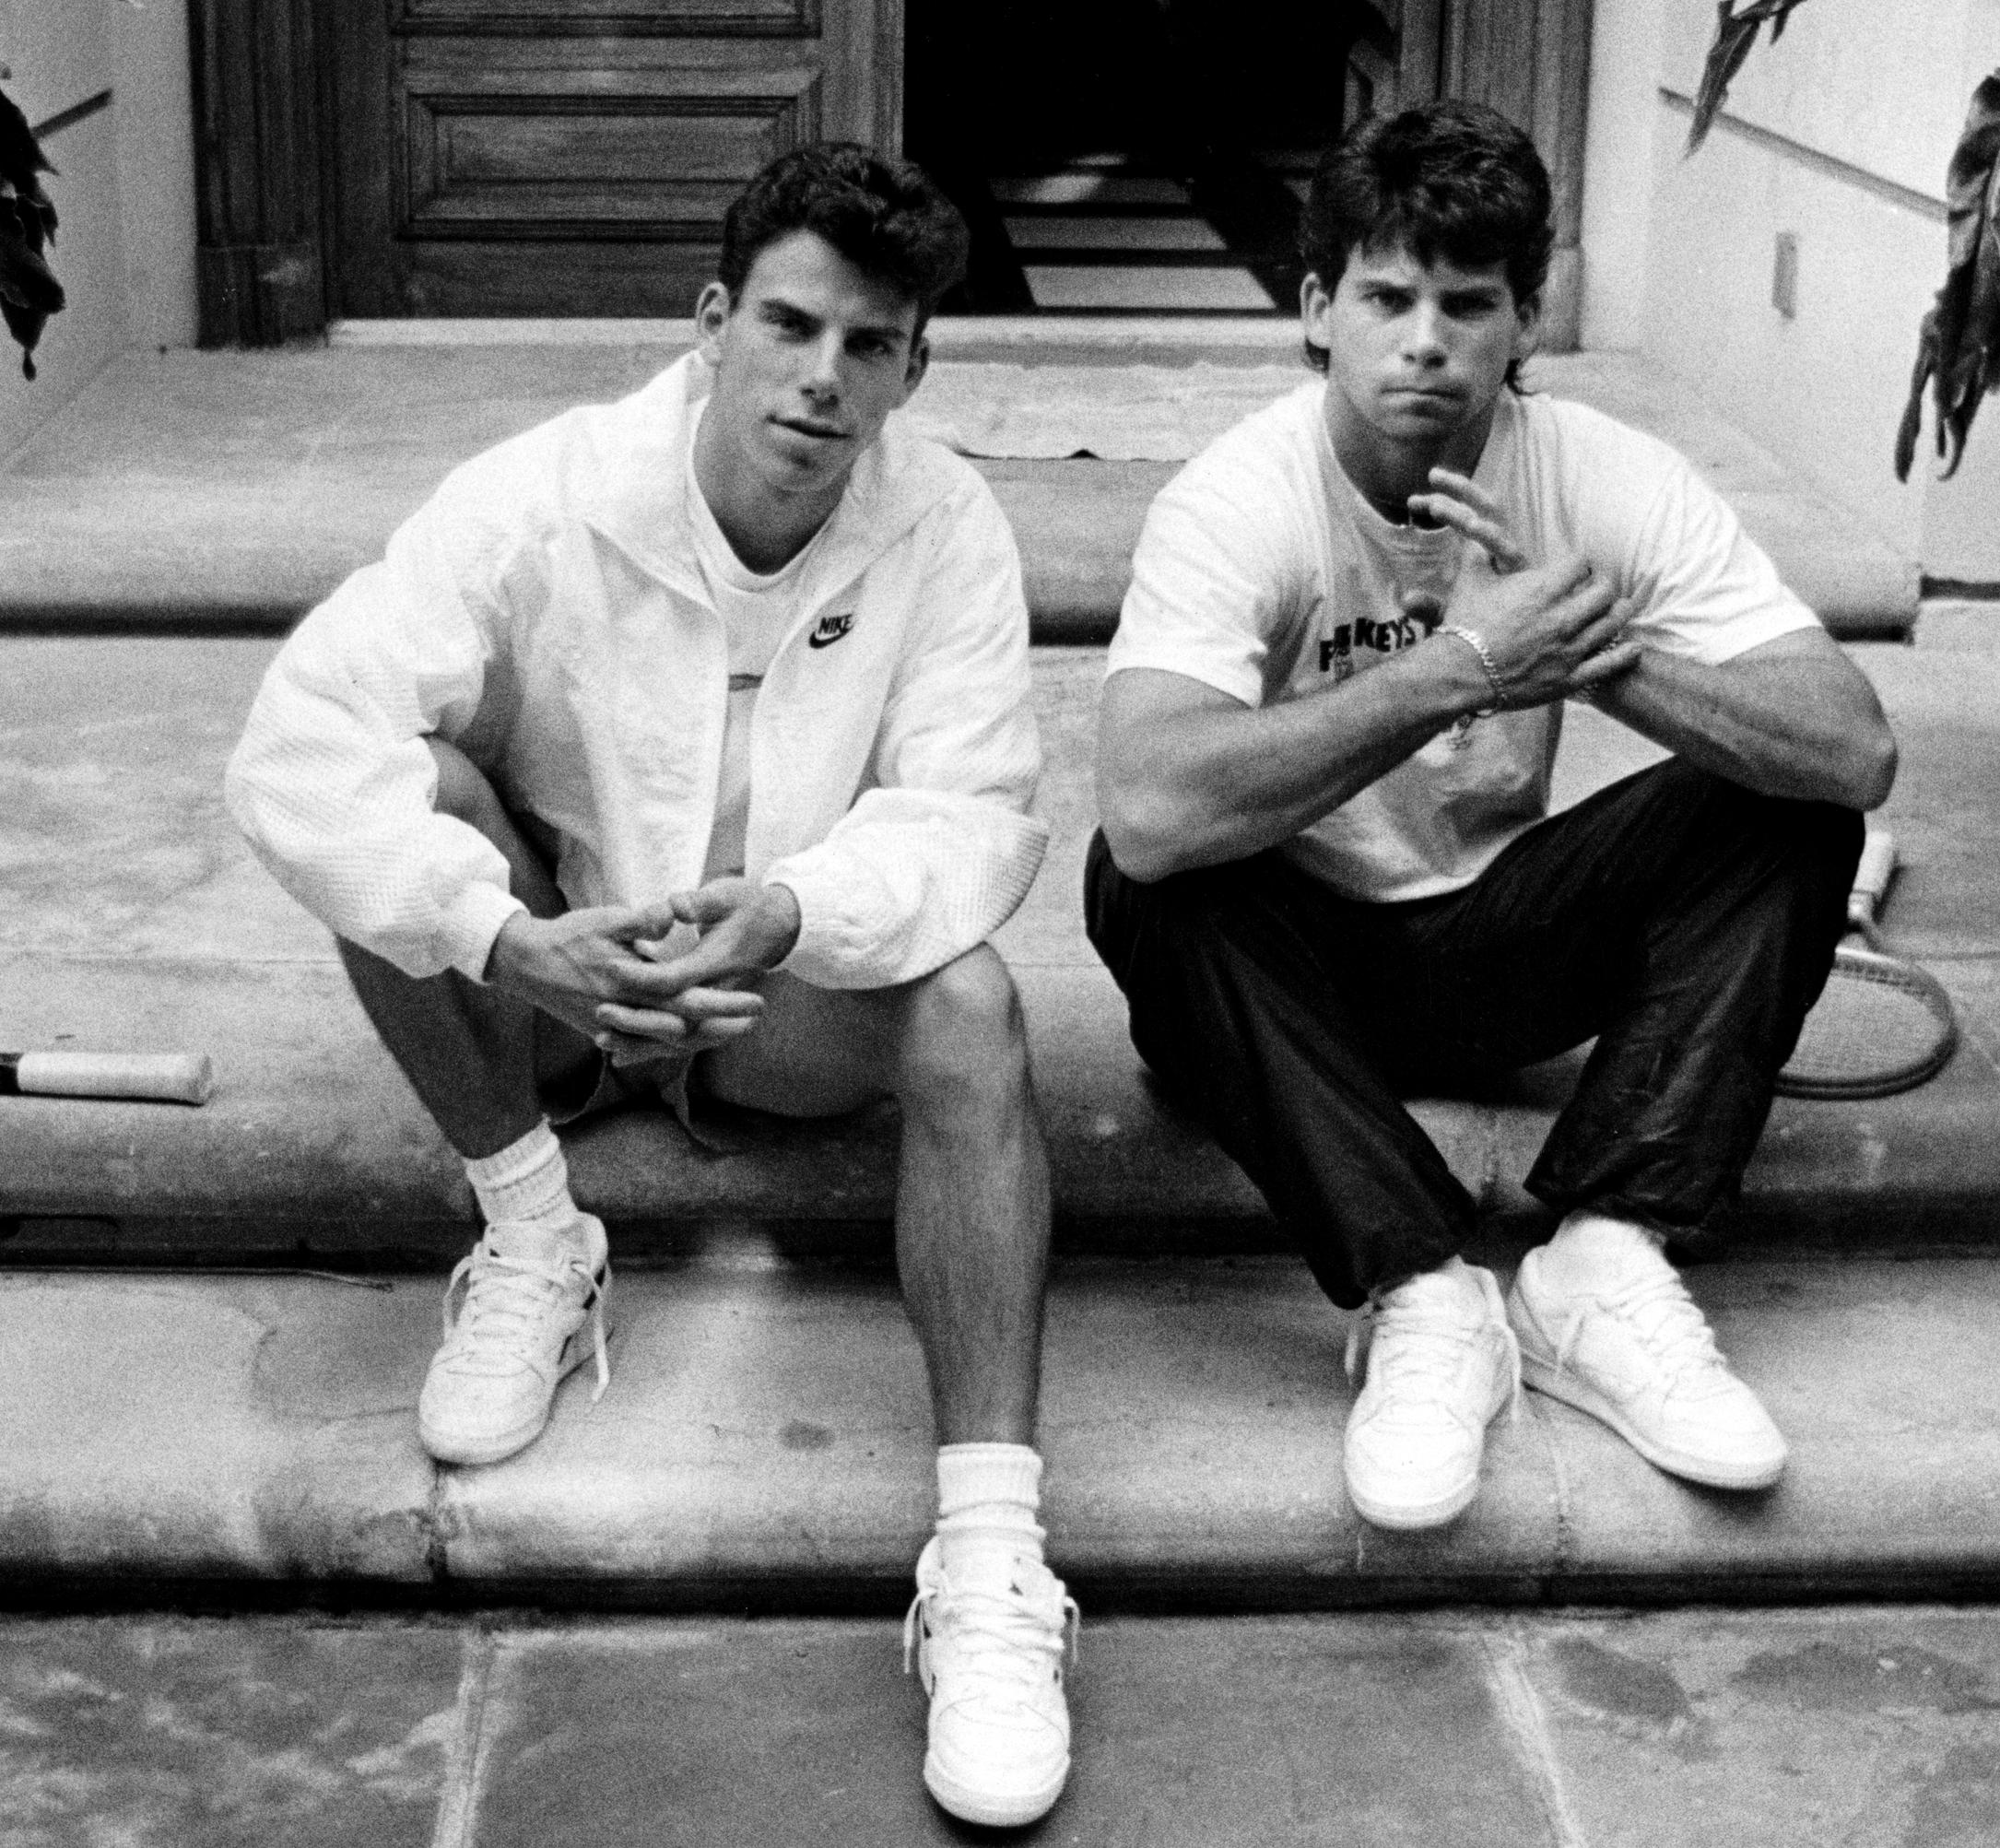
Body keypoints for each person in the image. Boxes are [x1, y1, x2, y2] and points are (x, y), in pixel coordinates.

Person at [229, 145, 1076, 1830]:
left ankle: (991, 1560)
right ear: (712, 321)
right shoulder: (547, 490)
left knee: (975, 999)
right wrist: (503, 935)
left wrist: (787, 906)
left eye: (874, 345)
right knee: (406, 814)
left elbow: (982, 819)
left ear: (917, 367)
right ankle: (539, 1231)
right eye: (791, 325)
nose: (825, 380)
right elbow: (295, 744)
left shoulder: (947, 524)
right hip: (559, 990)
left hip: (782, 996)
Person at [1087, 103, 1897, 1532]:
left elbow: (1852, 744)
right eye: (1388, 299)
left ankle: (1603, 1257)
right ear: (1317, 308)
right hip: (1290, 972)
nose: (1426, 342)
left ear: (1525, 319)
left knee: (1792, 811)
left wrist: (1591, 652)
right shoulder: (1238, 498)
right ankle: (1424, 1292)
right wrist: (1456, 668)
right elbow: (1152, 809)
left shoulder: (1601, 474)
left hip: (1500, 947)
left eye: (1470, 304)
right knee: (1137, 875)